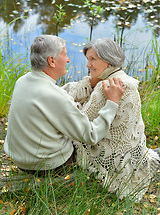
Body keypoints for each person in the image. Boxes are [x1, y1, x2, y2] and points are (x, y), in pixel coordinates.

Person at [3, 35, 125, 175]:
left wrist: (87, 84)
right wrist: (112, 102)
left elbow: (55, 93)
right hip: (46, 165)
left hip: (20, 158)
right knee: (89, 142)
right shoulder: (54, 96)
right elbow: (91, 135)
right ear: (52, 61)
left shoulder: (23, 81)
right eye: (65, 55)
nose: (68, 59)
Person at [63, 38, 160, 201]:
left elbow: (78, 123)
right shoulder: (126, 80)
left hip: (110, 157)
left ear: (108, 61)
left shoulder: (106, 87)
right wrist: (91, 82)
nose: (88, 65)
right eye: (87, 60)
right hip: (131, 151)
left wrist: (81, 97)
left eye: (92, 59)